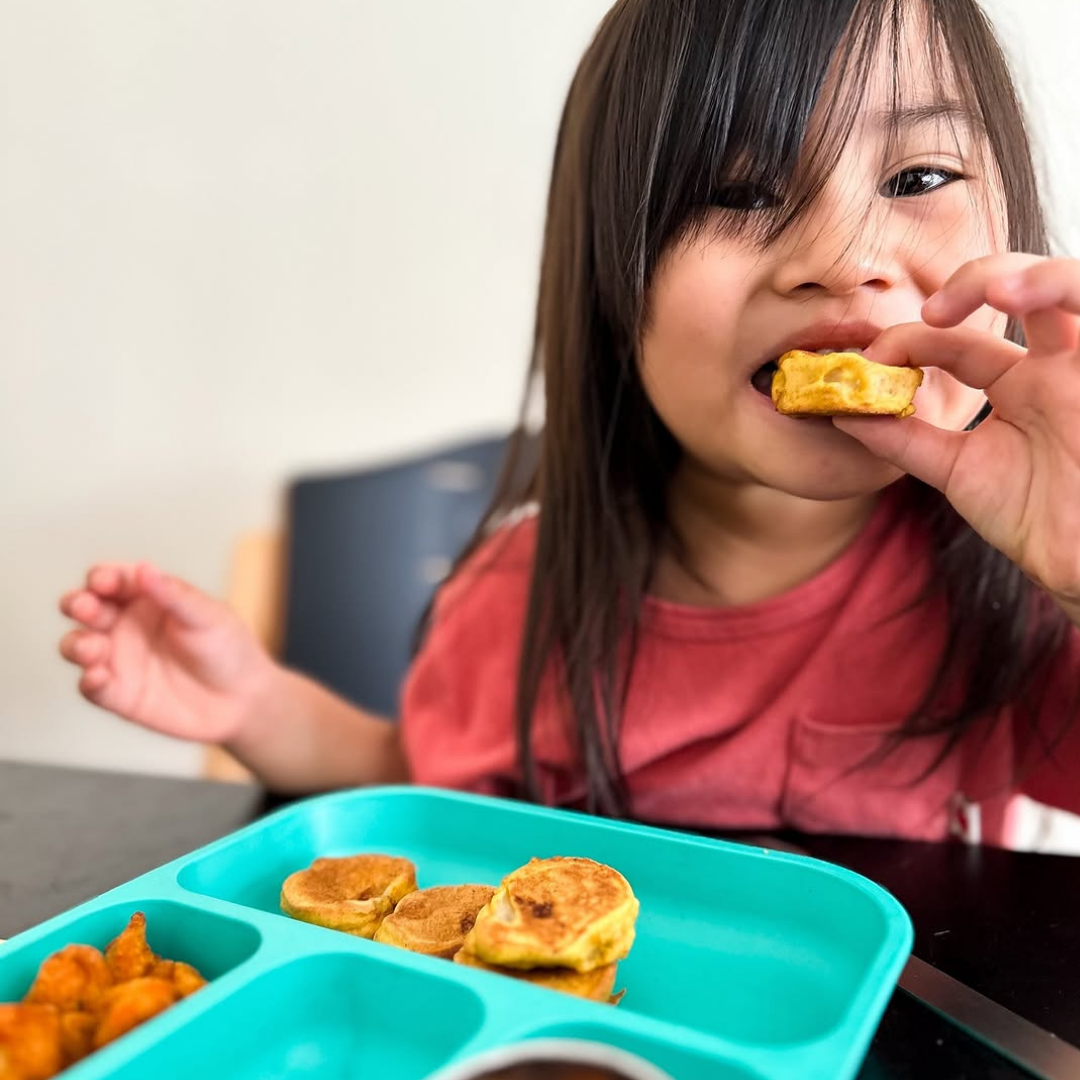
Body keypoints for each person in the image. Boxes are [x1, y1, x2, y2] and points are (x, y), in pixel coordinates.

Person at [58, 0, 1080, 846]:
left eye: (918, 178)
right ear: (610, 289)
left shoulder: (1019, 599)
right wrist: (258, 710)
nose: (843, 251)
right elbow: (425, 780)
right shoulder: (517, 599)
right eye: (738, 191)